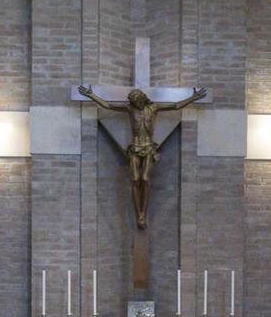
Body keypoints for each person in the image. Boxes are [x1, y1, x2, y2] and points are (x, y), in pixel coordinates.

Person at [76, 84, 207, 229]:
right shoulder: (130, 109)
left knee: (144, 179)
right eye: (133, 101)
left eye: (137, 100)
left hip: (149, 148)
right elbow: (108, 105)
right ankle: (139, 213)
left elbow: (176, 106)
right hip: (135, 148)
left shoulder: (153, 108)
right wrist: (91, 95)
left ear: (142, 99)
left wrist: (193, 98)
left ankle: (143, 213)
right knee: (134, 179)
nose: (135, 103)